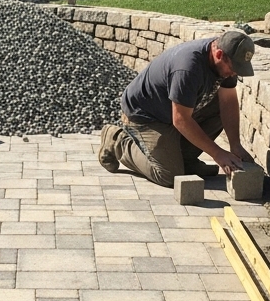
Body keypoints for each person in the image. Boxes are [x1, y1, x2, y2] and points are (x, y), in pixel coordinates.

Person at [99, 30, 257, 188]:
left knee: (219, 107)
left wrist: (235, 145)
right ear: (219, 54)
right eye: (234, 67)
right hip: (146, 116)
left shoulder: (227, 59)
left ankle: (184, 160)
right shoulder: (188, 67)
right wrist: (217, 154)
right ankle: (117, 140)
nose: (235, 72)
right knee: (169, 175)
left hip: (170, 111)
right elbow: (181, 119)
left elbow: (228, 101)